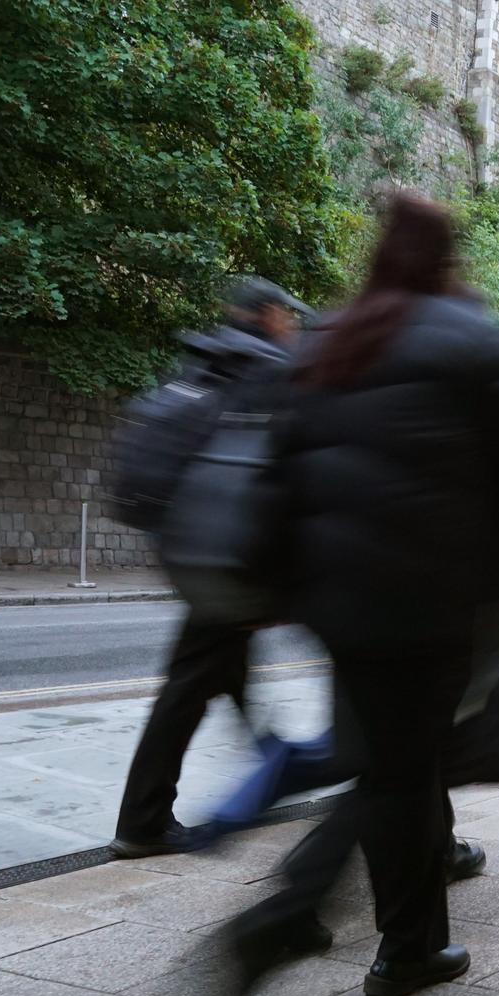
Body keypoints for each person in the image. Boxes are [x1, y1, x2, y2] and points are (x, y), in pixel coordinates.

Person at [272, 190, 499, 996]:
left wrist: (282, 587)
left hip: (339, 605)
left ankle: (399, 935)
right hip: (436, 603)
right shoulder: (470, 338)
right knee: (406, 766)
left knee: (394, 760)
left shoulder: (331, 339)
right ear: (443, 259)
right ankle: (362, 930)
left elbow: (280, 470)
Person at [111, 277, 304, 859]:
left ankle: (272, 765)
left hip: (191, 550)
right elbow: (284, 475)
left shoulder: (204, 363)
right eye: (287, 315)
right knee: (192, 683)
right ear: (268, 315)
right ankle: (143, 821)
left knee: (213, 671)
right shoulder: (269, 370)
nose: (293, 325)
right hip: (238, 561)